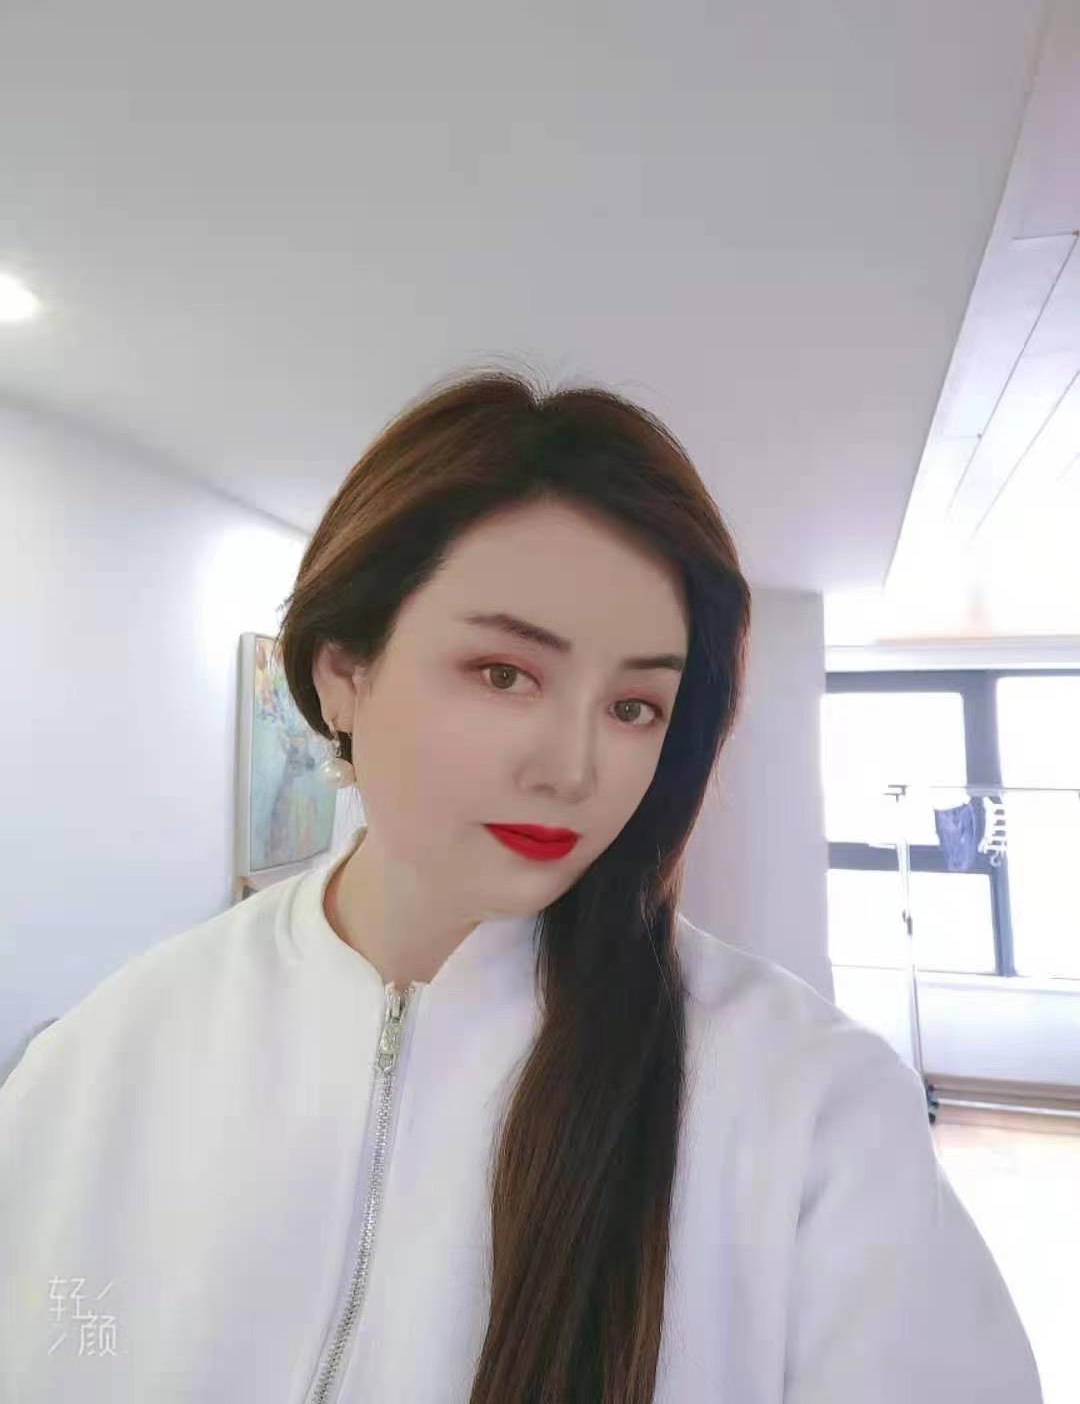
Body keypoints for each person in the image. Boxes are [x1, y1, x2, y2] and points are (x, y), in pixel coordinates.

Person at [0, 369, 1042, 1403]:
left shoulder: (815, 1109)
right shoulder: (104, 1057)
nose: (574, 769)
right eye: (505, 674)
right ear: (341, 673)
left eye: (634, 706)